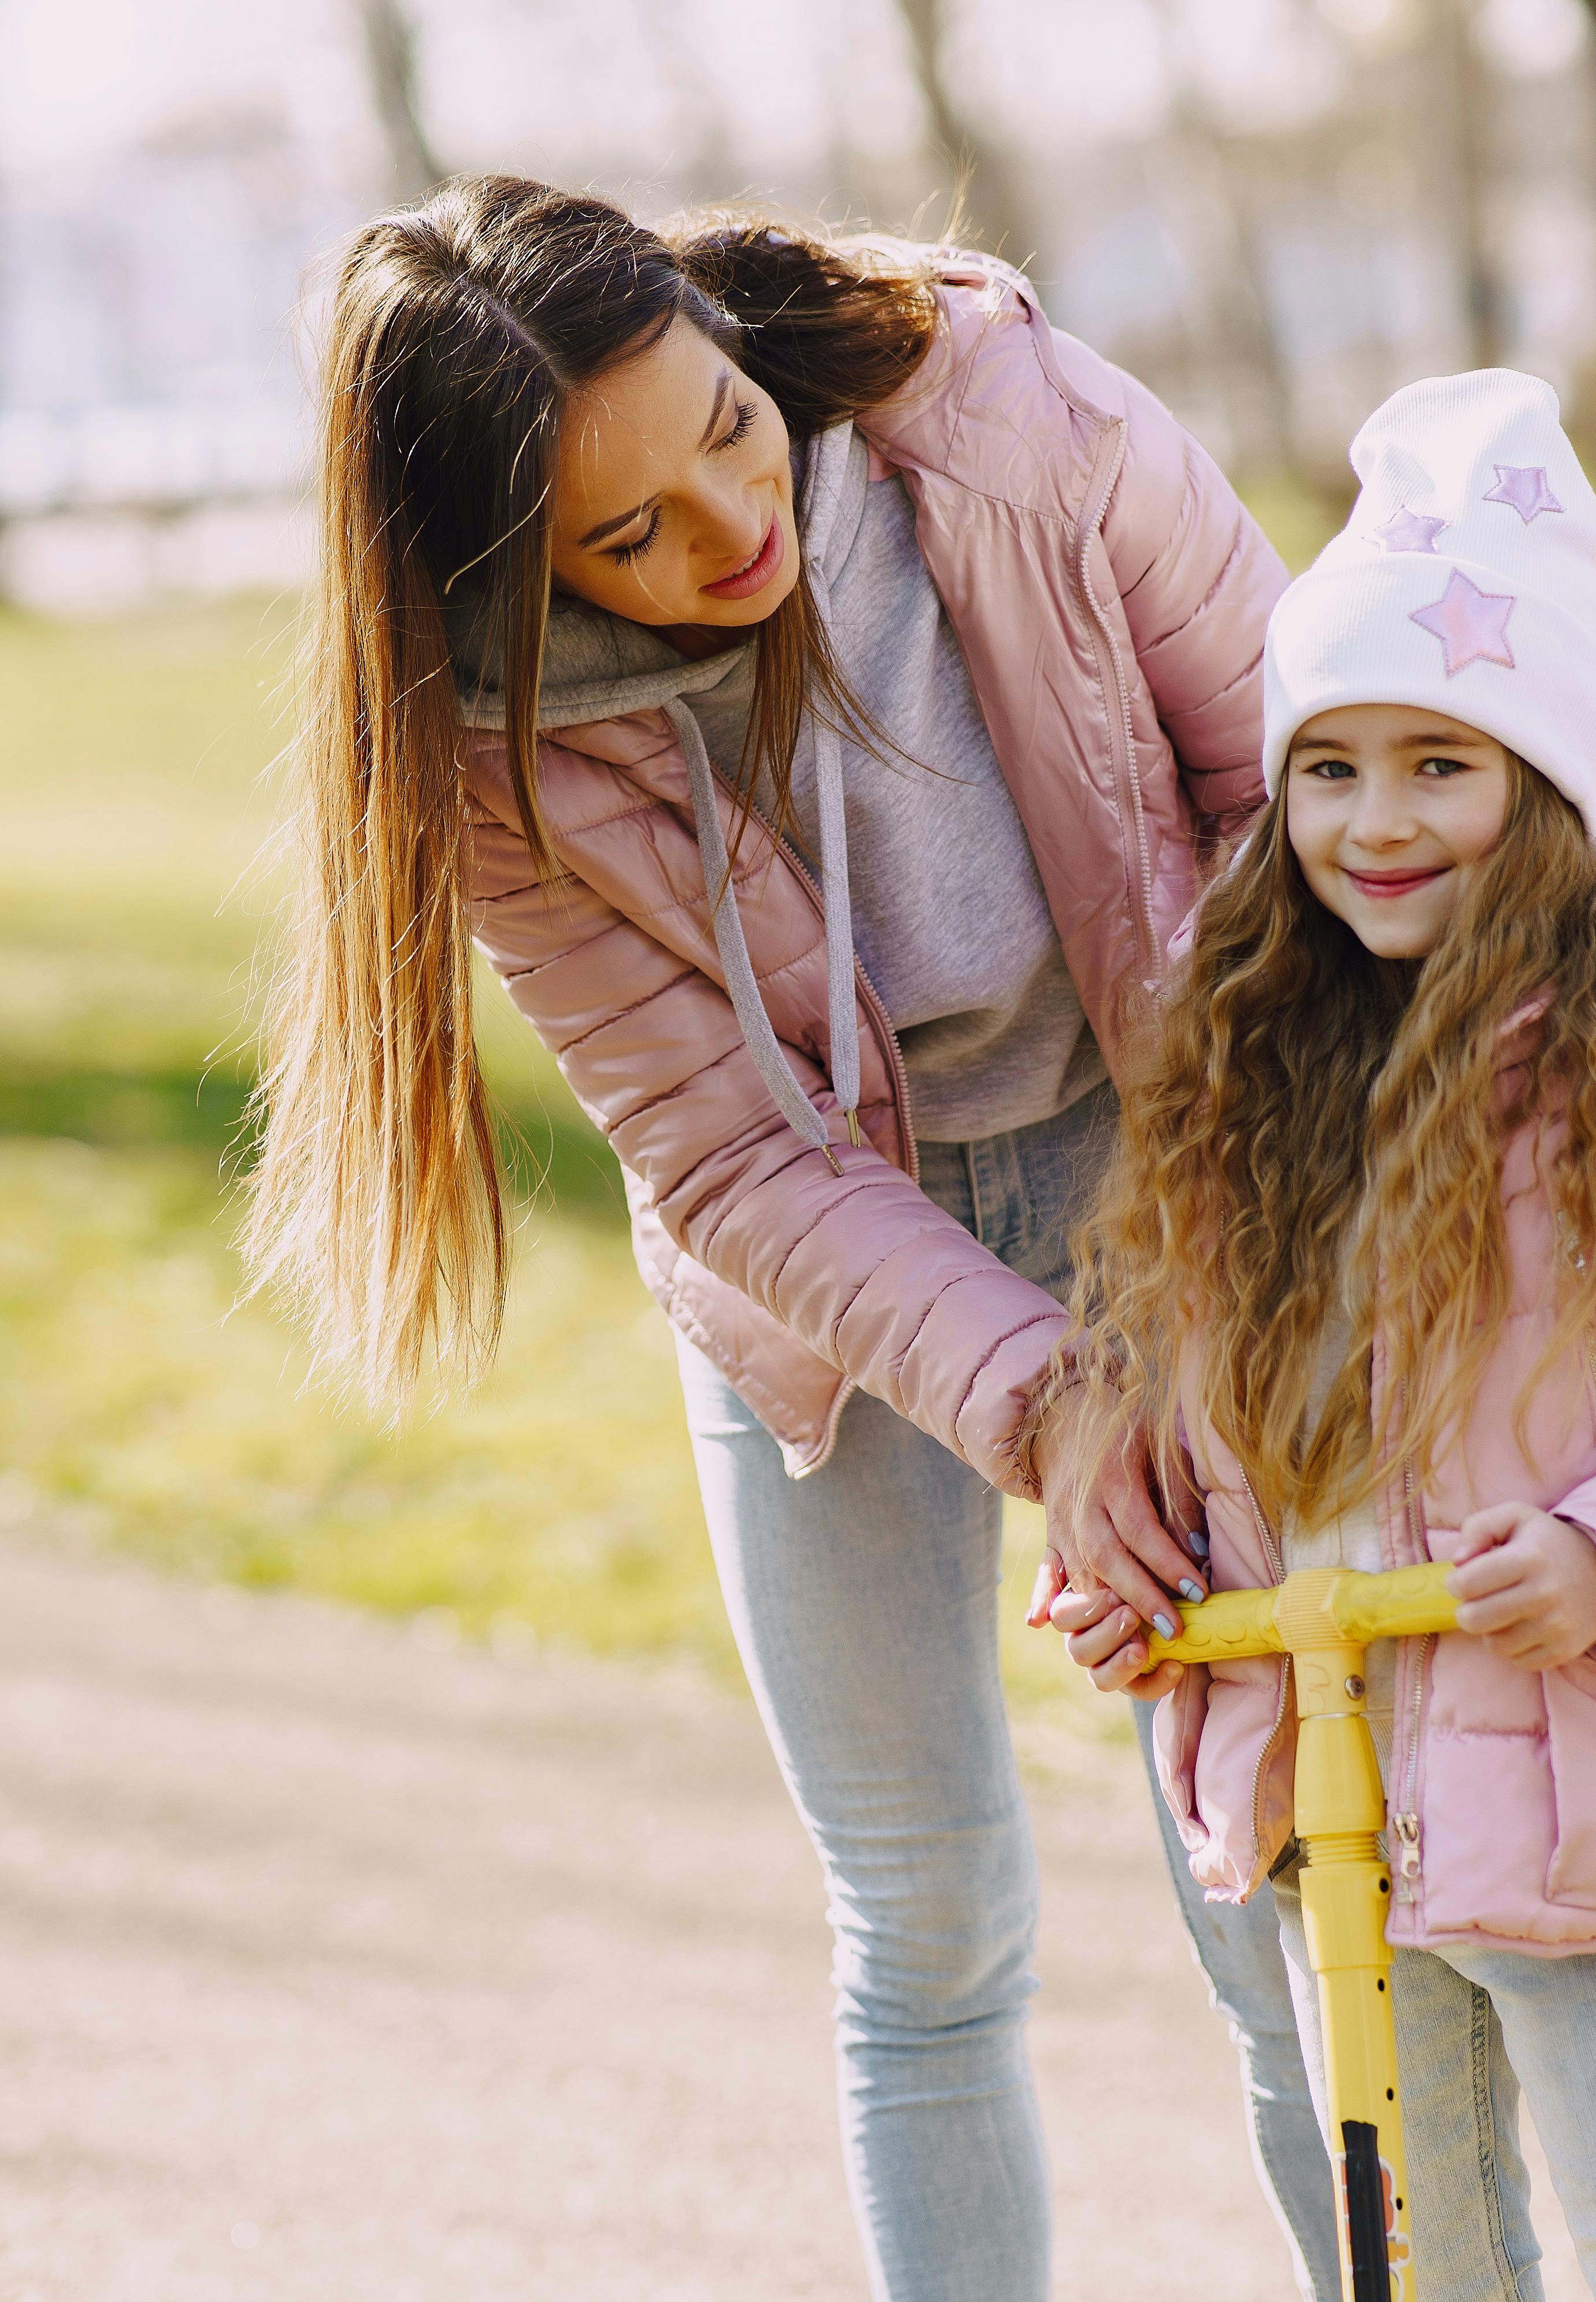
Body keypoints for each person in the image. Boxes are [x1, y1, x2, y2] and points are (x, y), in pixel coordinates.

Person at [242, 176, 1345, 2299]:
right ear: (503, 572)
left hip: (1176, 1156)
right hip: (818, 1282)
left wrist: (1202, 1292)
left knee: (1279, 1882)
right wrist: (1044, 1401)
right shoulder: (494, 749)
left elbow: (1294, 811)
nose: (718, 536)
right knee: (924, 1917)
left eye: (725, 439)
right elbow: (732, 1159)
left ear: (727, 338)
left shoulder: (1019, 428)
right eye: (622, 539)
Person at [1051, 370, 1596, 2302]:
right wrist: (1163, 1593)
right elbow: (1229, 1423)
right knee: (1422, 2271)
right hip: (1332, 1788)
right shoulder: (1246, 1078)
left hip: (1583, 1770)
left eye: (1443, 765)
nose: (1377, 823)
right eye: (1331, 766)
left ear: (1552, 788)